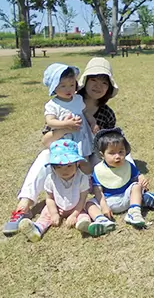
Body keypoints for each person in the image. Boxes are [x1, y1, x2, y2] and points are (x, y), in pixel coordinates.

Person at [3, 58, 119, 236]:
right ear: (85, 81)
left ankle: (102, 200)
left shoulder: (106, 113)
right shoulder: (59, 104)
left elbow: (112, 144)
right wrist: (65, 127)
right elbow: (46, 140)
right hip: (63, 152)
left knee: (110, 158)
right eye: (94, 80)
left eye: (104, 82)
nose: (98, 86)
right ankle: (23, 206)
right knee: (44, 156)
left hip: (90, 154)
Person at [18, 140, 92, 242]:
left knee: (84, 215)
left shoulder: (82, 178)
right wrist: (54, 213)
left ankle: (84, 225)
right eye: (59, 167)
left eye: (69, 166)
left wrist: (74, 214)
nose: (64, 170)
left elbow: (82, 199)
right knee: (45, 213)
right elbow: (50, 199)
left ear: (77, 163)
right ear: (53, 166)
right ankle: (37, 228)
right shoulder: (51, 179)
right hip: (57, 206)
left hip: (76, 207)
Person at [90, 128, 154, 229]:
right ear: (102, 154)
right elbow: (98, 191)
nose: (117, 156)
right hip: (108, 201)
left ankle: (134, 212)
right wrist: (104, 205)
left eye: (121, 152)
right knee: (89, 204)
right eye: (112, 153)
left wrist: (141, 178)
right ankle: (101, 219)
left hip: (127, 199)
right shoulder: (98, 170)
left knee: (136, 186)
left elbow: (137, 177)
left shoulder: (128, 165)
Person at [42, 63, 94, 169]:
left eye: (71, 85)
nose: (68, 89)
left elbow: (85, 112)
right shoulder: (53, 105)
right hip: (64, 140)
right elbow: (50, 121)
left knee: (84, 159)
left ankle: (87, 179)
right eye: (63, 86)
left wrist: (93, 122)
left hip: (81, 136)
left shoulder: (78, 99)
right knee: (67, 163)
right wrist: (65, 124)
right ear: (54, 87)